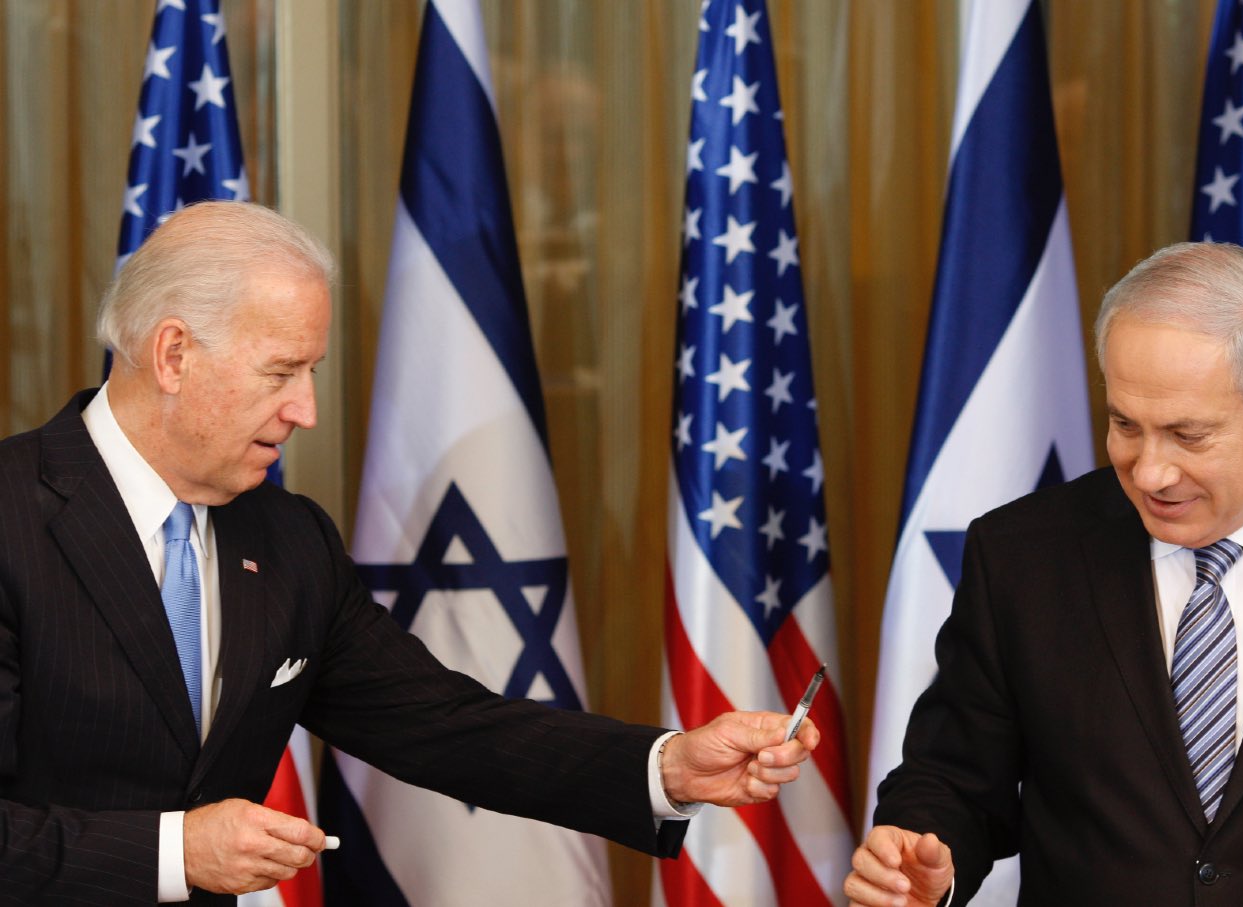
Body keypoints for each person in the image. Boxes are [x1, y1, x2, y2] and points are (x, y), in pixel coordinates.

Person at [0, 201, 819, 906]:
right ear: (173, 354)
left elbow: (447, 725)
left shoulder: (289, 540)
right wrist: (175, 853)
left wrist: (667, 766)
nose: (307, 409)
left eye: (313, 370)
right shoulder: (11, 517)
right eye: (281, 371)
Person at [846, 242, 1243, 907]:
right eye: (1125, 424)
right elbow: (952, 775)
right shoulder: (1022, 554)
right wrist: (925, 856)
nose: (1150, 472)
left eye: (1188, 435)